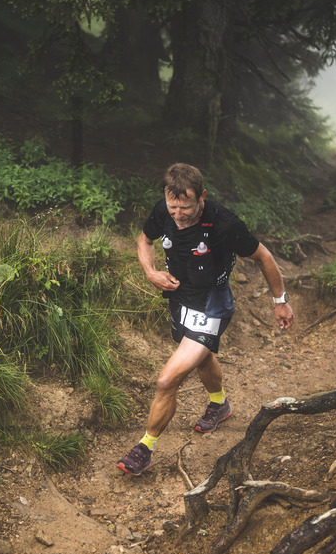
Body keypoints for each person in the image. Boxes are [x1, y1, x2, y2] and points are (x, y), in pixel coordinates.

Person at [116, 162, 294, 476]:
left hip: (213, 304)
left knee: (166, 380)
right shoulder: (164, 211)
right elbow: (144, 240)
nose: (178, 215)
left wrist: (280, 302)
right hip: (180, 299)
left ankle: (145, 447)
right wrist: (150, 272)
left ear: (202, 197)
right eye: (173, 207)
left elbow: (264, 256)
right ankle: (219, 404)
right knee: (201, 357)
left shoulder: (224, 224)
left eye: (185, 208)